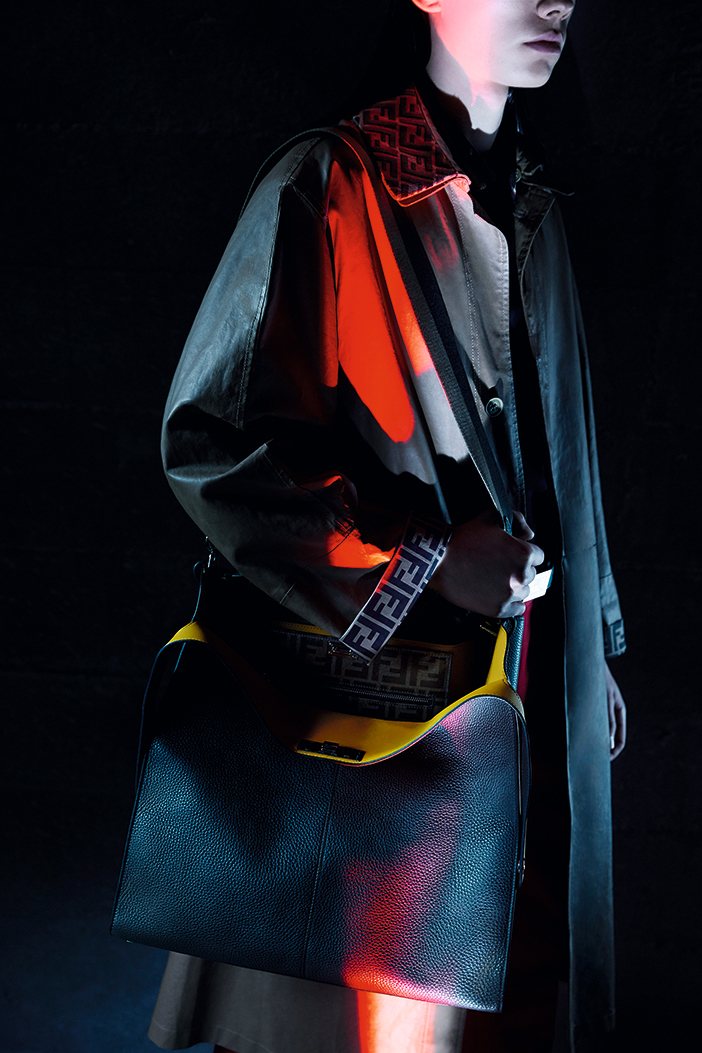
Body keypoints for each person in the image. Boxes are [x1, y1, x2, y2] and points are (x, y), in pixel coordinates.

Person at [147, 1, 627, 1051]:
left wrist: (589, 649)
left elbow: (564, 457)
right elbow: (213, 443)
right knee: (360, 1015)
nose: (557, 0)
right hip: (370, 739)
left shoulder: (535, 202)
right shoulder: (329, 182)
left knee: (509, 1005)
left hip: (523, 705)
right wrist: (424, 559)